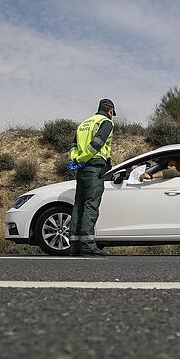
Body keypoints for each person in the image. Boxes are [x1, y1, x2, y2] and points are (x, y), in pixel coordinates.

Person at [68, 99, 116, 256]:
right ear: (110, 111)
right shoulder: (106, 122)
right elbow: (97, 144)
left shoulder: (83, 124)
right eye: (112, 114)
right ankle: (88, 245)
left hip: (81, 169)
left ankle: (74, 244)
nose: (112, 116)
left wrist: (76, 160)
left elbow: (73, 146)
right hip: (94, 168)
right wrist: (83, 159)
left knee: (79, 205)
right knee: (91, 205)